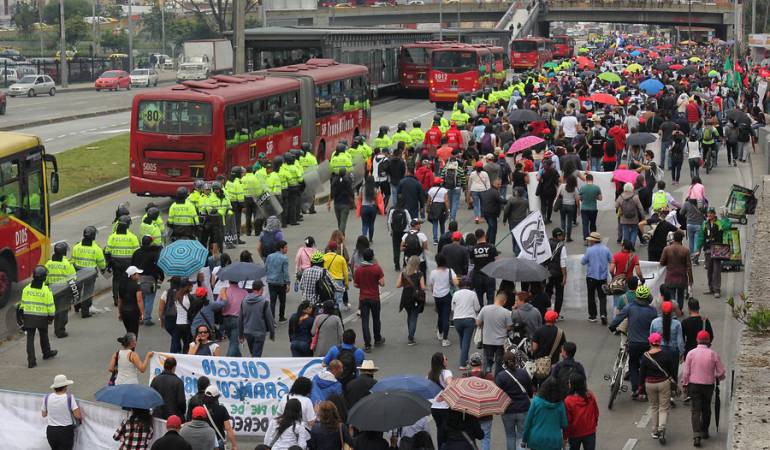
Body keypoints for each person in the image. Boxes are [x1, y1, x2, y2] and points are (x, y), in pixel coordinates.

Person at [682, 330, 726, 447]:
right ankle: (704, 431)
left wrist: (685, 384)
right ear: (709, 341)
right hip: (708, 386)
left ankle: (696, 435)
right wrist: (717, 376)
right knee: (706, 408)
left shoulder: (691, 353)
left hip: (694, 385)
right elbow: (721, 372)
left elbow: (686, 372)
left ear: (697, 340)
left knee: (695, 410)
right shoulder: (713, 354)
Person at [639, 332, 676, 444]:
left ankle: (655, 431)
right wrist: (674, 385)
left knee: (654, 407)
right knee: (664, 407)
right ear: (660, 343)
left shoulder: (645, 356)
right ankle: (662, 428)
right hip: (663, 383)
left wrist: (641, 388)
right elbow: (672, 371)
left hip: (650, 383)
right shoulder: (666, 355)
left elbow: (642, 373)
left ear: (650, 342)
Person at [19, 265, 57, 368]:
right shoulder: (46, 291)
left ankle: (31, 362)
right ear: (44, 277)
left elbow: (22, 304)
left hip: (29, 317)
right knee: (44, 335)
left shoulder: (26, 289)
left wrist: (22, 317)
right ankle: (46, 353)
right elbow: (51, 307)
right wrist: (51, 318)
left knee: (30, 339)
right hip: (42, 318)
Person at [495, 351, 531, 450]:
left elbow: (497, 394)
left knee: (510, 436)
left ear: (504, 363)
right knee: (521, 436)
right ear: (516, 361)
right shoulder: (523, 373)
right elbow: (530, 392)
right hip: (523, 408)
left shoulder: (501, 376)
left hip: (507, 409)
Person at [521, 377, 568, 450]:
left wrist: (524, 440)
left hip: (536, 440)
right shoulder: (560, 405)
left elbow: (528, 422)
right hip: (554, 441)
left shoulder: (536, 401)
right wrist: (565, 440)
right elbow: (564, 424)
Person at [354, 248, 386, 352]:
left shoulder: (359, 269)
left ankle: (367, 344)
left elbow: (355, 284)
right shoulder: (377, 268)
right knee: (376, 319)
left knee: (365, 321)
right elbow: (382, 283)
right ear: (372, 257)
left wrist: (363, 286)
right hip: (374, 297)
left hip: (363, 298)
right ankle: (377, 338)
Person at [71, 226, 107, 318]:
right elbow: (102, 264)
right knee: (88, 292)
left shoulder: (76, 247)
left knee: (77, 290)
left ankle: (77, 306)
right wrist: (103, 268)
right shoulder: (97, 249)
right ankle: (85, 312)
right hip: (90, 274)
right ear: (94, 236)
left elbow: (73, 260)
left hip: (78, 271)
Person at [477, 293, 513, 375]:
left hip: (487, 340)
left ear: (495, 299)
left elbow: (478, 322)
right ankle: (497, 379)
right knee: (499, 362)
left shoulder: (485, 309)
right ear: (504, 301)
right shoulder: (506, 312)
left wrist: (484, 326)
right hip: (500, 342)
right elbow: (509, 327)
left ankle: (486, 376)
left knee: (487, 360)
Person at [45, 242, 76, 338]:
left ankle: (56, 329)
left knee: (56, 311)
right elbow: (73, 279)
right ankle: (60, 331)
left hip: (52, 291)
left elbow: (45, 279)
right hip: (63, 291)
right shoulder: (67, 264)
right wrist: (74, 293)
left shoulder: (48, 263)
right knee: (63, 312)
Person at [42, 374, 81, 450]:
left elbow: (44, 414)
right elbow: (78, 415)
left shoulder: (47, 397)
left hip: (51, 431)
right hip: (65, 431)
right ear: (65, 386)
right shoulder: (69, 397)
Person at [131, 236, 164, 326]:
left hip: (137, 280)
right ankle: (147, 319)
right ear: (151, 243)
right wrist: (162, 276)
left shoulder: (136, 253)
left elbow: (132, 265)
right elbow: (158, 267)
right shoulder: (154, 254)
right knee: (149, 299)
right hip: (150, 280)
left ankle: (139, 317)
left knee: (140, 300)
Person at [581, 233, 612, 324]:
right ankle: (603, 314)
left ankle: (593, 315)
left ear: (593, 240)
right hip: (603, 277)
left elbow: (583, 261)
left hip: (591, 276)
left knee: (591, 296)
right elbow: (611, 260)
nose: (589, 241)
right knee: (602, 296)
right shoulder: (606, 249)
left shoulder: (589, 250)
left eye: (590, 240)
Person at [238, 280, 275, 357]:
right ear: (261, 289)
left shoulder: (244, 301)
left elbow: (240, 319)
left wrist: (241, 334)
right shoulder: (264, 302)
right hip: (259, 333)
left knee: (254, 353)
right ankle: (254, 367)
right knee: (256, 355)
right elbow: (269, 318)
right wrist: (272, 332)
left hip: (247, 332)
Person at [564, 372, 599, 450]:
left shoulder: (568, 401)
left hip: (575, 434)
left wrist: (565, 436)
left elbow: (567, 421)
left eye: (569, 382)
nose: (568, 384)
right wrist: (594, 424)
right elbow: (596, 412)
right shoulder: (589, 395)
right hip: (590, 431)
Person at [659, 230, 694, 310]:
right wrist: (690, 279)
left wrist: (668, 263)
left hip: (670, 275)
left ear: (673, 238)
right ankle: (679, 310)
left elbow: (661, 262)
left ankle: (672, 310)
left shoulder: (667, 249)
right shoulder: (685, 250)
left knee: (671, 295)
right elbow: (689, 266)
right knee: (681, 295)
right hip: (681, 276)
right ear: (682, 239)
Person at [430, 253, 458, 348]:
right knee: (446, 317)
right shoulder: (450, 271)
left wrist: (433, 292)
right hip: (447, 295)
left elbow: (431, 285)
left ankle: (440, 332)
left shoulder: (433, 272)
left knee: (440, 315)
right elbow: (455, 282)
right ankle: (445, 339)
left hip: (437, 296)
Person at [452, 276, 480, 369]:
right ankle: (463, 363)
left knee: (462, 340)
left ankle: (464, 359)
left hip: (457, 319)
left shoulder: (456, 293)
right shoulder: (472, 294)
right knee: (466, 342)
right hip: (469, 319)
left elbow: (453, 308)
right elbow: (477, 308)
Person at [397, 255, 426, 346]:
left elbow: (398, 285)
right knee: (414, 316)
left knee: (409, 314)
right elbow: (422, 287)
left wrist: (405, 284)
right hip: (415, 297)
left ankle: (410, 332)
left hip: (405, 296)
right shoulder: (420, 274)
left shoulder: (404, 273)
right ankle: (411, 337)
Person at [696, 208, 724, 298]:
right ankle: (711, 288)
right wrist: (698, 249)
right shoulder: (704, 224)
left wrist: (725, 217)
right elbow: (700, 237)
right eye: (708, 213)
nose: (709, 215)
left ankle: (717, 290)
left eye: (711, 213)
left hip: (717, 249)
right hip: (708, 249)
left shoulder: (719, 223)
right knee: (709, 270)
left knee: (716, 271)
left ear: (714, 214)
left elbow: (727, 225)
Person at [428, 352, 453, 449]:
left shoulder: (430, 374)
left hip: (434, 407)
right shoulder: (446, 373)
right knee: (447, 431)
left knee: (439, 429)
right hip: (445, 407)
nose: (447, 361)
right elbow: (450, 385)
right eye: (445, 359)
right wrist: (444, 396)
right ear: (442, 362)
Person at [201, 385, 238, 450]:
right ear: (216, 397)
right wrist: (234, 445)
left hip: (204, 442)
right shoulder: (222, 409)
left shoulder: (200, 409)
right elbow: (228, 428)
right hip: (219, 442)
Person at [471, 228, 498, 306]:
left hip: (477, 275)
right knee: (490, 298)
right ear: (485, 236)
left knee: (479, 298)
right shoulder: (492, 247)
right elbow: (497, 261)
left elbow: (472, 261)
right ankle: (489, 315)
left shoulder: (473, 249)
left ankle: (480, 314)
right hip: (489, 275)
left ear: (476, 237)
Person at [266, 240, 290, 323]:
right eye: (286, 247)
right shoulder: (284, 258)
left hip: (271, 282)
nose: (287, 249)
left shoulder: (269, 256)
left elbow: (266, 268)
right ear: (281, 248)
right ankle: (281, 317)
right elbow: (285, 272)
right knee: (282, 301)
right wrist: (288, 283)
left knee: (272, 301)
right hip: (281, 283)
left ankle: (272, 319)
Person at [118, 266, 145, 336]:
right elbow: (139, 300)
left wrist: (120, 313)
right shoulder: (136, 286)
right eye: (137, 273)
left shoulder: (122, 285)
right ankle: (130, 346)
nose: (139, 275)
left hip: (124, 311)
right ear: (132, 275)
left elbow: (120, 300)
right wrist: (142, 313)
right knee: (134, 333)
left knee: (129, 331)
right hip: (134, 312)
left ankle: (128, 345)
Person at [502, 187, 530, 255]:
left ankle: (516, 250)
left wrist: (504, 220)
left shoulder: (511, 200)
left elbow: (506, 211)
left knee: (514, 236)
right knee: (520, 235)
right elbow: (528, 210)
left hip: (513, 221)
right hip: (522, 221)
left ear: (517, 193)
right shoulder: (526, 201)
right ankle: (518, 249)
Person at [323, 241, 349, 311]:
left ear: (328, 248)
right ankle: (338, 316)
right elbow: (345, 273)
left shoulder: (323, 257)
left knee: (328, 299)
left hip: (327, 280)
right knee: (339, 300)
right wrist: (346, 283)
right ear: (336, 249)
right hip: (338, 281)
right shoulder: (341, 258)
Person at [387, 195, 411, 271]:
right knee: (405, 248)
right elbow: (409, 221)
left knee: (396, 248)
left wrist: (391, 231)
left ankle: (397, 265)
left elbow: (389, 222)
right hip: (405, 232)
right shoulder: (405, 210)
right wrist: (409, 231)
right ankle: (404, 263)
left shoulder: (392, 210)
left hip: (395, 232)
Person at [479, 178, 506, 245]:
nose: (499, 185)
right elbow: (501, 201)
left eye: (500, 184)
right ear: (493, 184)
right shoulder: (495, 192)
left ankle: (486, 242)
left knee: (490, 228)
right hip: (491, 213)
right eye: (498, 184)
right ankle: (491, 246)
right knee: (493, 230)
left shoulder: (490, 191)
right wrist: (510, 201)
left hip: (486, 212)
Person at [578, 173, 602, 241]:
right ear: (592, 179)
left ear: (586, 179)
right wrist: (594, 196)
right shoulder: (597, 188)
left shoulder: (582, 188)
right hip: (593, 209)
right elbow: (600, 198)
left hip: (584, 209)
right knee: (593, 224)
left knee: (585, 225)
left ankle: (586, 239)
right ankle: (593, 238)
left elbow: (579, 198)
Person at [556, 175, 580, 242]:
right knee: (569, 222)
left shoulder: (562, 186)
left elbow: (557, 195)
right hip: (571, 206)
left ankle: (562, 236)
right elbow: (577, 199)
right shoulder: (575, 189)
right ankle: (568, 237)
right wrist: (578, 208)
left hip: (563, 205)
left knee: (562, 220)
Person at [427, 178, 449, 245]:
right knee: (442, 224)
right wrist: (447, 209)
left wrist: (427, 208)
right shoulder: (444, 190)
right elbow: (446, 200)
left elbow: (429, 200)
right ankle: (443, 238)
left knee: (435, 223)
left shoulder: (431, 190)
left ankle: (435, 240)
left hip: (434, 207)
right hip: (442, 207)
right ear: (440, 183)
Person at [358, 175, 381, 242]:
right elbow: (377, 199)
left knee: (364, 224)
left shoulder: (362, 188)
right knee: (371, 224)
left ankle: (364, 237)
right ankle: (370, 239)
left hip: (364, 207)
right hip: (372, 208)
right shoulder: (375, 189)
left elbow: (360, 198)